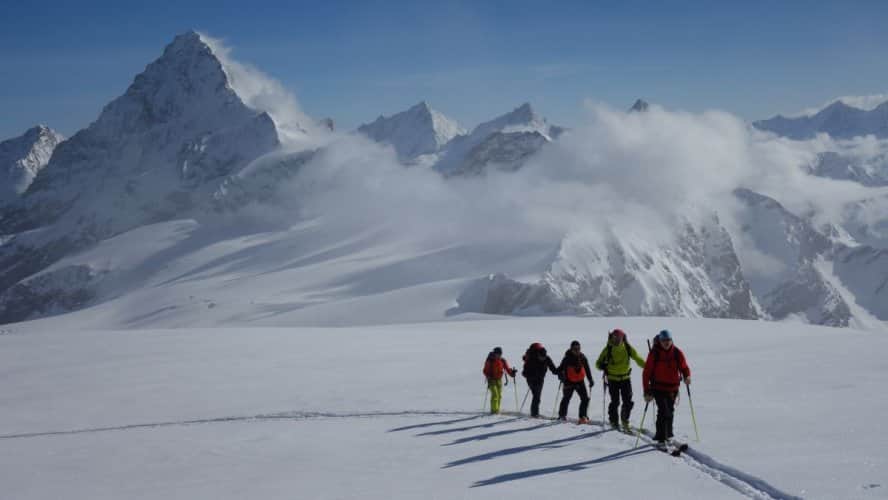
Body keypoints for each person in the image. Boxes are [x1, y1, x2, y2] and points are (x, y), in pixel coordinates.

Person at [642, 330, 691, 445]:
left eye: (668, 340)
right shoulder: (654, 353)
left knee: (670, 411)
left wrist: (687, 376)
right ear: (660, 341)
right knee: (664, 411)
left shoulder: (677, 352)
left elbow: (684, 367)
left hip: (673, 388)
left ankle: (668, 434)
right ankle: (661, 438)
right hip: (658, 388)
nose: (666, 343)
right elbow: (646, 373)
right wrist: (646, 390)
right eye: (664, 341)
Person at [595, 328, 645, 431]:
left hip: (625, 378)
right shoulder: (607, 349)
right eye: (615, 337)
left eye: (619, 337)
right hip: (612, 379)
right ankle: (614, 421)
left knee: (628, 402)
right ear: (612, 338)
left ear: (623, 338)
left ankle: (624, 420)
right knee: (615, 402)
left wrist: (648, 367)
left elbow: (637, 358)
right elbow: (598, 363)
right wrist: (602, 366)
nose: (617, 339)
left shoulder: (627, 347)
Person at [556, 340, 595, 423]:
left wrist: (590, 380)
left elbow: (587, 369)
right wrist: (561, 376)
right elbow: (559, 369)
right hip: (568, 382)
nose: (577, 351)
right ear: (571, 349)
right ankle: (561, 415)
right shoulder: (567, 358)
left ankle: (582, 416)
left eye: (578, 348)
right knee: (566, 398)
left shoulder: (582, 357)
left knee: (585, 399)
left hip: (580, 381)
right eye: (575, 349)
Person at [521, 342, 558, 418]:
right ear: (538, 355)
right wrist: (531, 377)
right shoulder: (531, 359)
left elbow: (554, 370)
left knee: (537, 396)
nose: (542, 359)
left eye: (544, 357)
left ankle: (534, 413)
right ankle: (534, 413)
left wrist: (561, 374)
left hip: (540, 379)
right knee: (536, 396)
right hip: (531, 379)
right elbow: (524, 373)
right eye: (541, 357)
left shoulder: (547, 359)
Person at [483, 346, 517, 415]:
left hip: (499, 380)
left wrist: (512, 373)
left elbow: (507, 369)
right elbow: (485, 370)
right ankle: (494, 411)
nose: (499, 355)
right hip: (491, 380)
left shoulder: (502, 360)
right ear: (494, 353)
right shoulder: (490, 360)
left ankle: (497, 409)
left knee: (499, 395)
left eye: (500, 354)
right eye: (498, 354)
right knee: (495, 395)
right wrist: (488, 376)